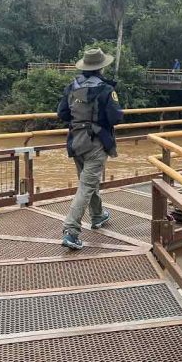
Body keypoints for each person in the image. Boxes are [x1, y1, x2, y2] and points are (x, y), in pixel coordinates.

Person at [57, 48, 124, 250]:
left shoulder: (72, 87)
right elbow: (115, 118)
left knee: (88, 182)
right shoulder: (105, 89)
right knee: (86, 186)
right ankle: (71, 230)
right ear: (101, 67)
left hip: (76, 141)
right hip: (96, 143)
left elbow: (62, 114)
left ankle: (98, 215)